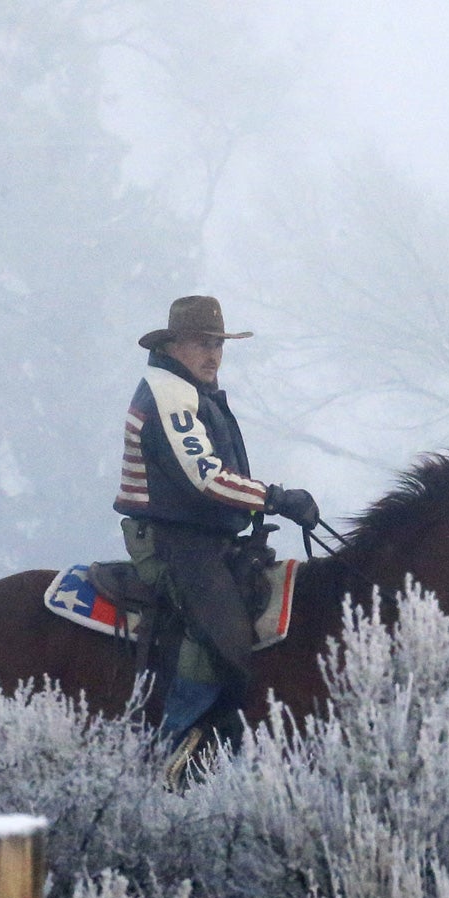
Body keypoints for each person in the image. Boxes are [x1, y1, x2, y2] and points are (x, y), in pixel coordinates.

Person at [113, 295, 320, 764]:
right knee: (223, 635)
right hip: (170, 542)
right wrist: (277, 499)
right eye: (202, 344)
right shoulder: (168, 395)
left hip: (202, 539)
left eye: (218, 345)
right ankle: (166, 750)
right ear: (174, 346)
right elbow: (204, 478)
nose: (212, 355)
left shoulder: (191, 391)